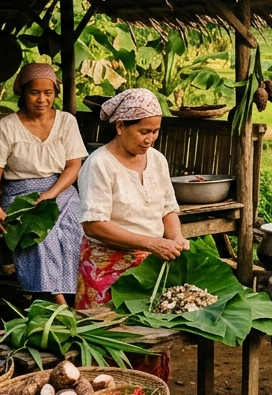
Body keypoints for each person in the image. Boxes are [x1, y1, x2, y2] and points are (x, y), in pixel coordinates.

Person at [75, 88, 189, 312]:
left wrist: (176, 239)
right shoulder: (99, 164)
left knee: (150, 337)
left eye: (156, 131)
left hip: (150, 267)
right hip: (105, 267)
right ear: (120, 126)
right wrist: (151, 243)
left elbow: (167, 209)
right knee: (108, 337)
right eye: (144, 131)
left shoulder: (158, 160)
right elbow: (94, 224)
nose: (150, 139)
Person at [0, 63, 88, 305]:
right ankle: (53, 298)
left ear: (55, 94)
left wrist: (52, 194)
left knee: (77, 230)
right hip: (21, 193)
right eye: (35, 92)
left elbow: (74, 166)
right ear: (23, 92)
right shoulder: (7, 127)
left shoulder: (66, 122)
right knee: (39, 235)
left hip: (61, 189)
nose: (42, 99)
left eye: (48, 93)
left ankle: (76, 296)